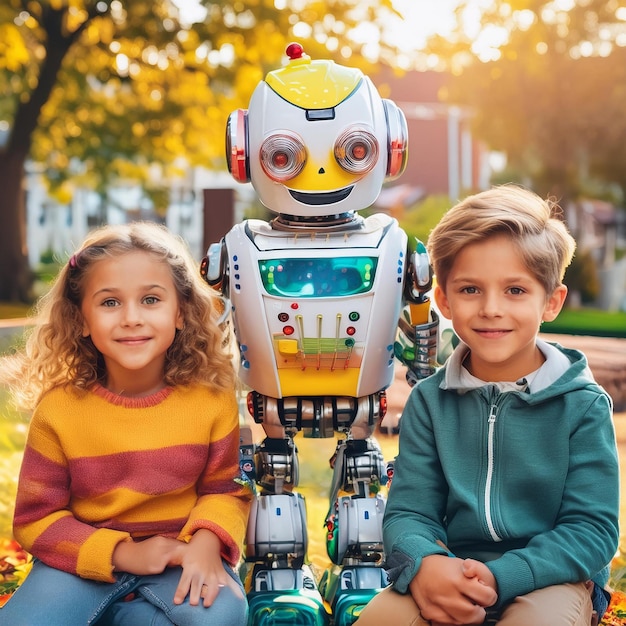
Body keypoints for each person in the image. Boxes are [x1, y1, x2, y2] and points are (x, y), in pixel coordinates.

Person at [357, 185, 620, 626]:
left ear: (551, 302)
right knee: (381, 619)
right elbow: (409, 513)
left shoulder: (583, 405)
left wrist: (504, 576)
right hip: (451, 569)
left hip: (553, 580)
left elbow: (592, 530)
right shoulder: (428, 402)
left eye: (515, 290)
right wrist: (424, 565)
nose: (491, 309)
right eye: (470, 289)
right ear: (443, 300)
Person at [0, 222, 252, 625]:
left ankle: (128, 614)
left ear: (181, 312)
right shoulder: (60, 409)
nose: (131, 318)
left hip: (181, 553)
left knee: (217, 615)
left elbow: (227, 489)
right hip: (80, 563)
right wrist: (123, 554)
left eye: (151, 299)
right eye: (110, 303)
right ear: (80, 319)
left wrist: (207, 542)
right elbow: (37, 519)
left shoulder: (211, 398)